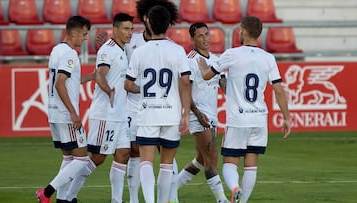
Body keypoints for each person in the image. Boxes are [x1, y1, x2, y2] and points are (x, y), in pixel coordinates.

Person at [198, 16, 291, 203]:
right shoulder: (268, 58)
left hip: (238, 119)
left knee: (230, 163)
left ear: (245, 32)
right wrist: (286, 117)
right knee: (251, 165)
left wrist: (202, 68)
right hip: (259, 118)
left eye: (240, 29)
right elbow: (279, 90)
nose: (238, 32)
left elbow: (208, 76)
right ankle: (242, 201)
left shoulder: (232, 54)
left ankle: (234, 188)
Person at [124, 5, 191, 203]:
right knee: (167, 164)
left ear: (149, 24)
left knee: (145, 161)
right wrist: (185, 113)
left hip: (147, 113)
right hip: (171, 113)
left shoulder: (139, 52)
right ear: (168, 26)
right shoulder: (178, 50)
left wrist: (142, 89)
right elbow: (186, 82)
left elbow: (128, 84)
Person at [64, 13, 134, 203]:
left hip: (119, 113)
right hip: (105, 113)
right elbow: (100, 74)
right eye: (126, 29)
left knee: (123, 154)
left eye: (131, 29)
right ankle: (69, 196)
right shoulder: (108, 49)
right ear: (115, 29)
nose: (130, 33)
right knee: (98, 157)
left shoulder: (122, 49)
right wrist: (107, 90)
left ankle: (116, 200)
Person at [36, 16, 93, 203]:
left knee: (69, 159)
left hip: (54, 113)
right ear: (74, 32)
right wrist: (73, 112)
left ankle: (63, 200)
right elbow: (60, 83)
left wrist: (92, 76)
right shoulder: (70, 54)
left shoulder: (56, 50)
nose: (85, 38)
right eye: (84, 34)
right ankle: (47, 192)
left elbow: (67, 81)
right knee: (82, 159)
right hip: (65, 114)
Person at [177, 22, 229, 203]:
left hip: (211, 115)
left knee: (200, 160)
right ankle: (222, 199)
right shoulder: (189, 61)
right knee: (212, 157)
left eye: (207, 34)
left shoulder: (216, 59)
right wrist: (197, 113)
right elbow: (184, 91)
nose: (206, 38)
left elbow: (225, 86)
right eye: (200, 35)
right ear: (192, 39)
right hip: (197, 115)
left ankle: (169, 191)